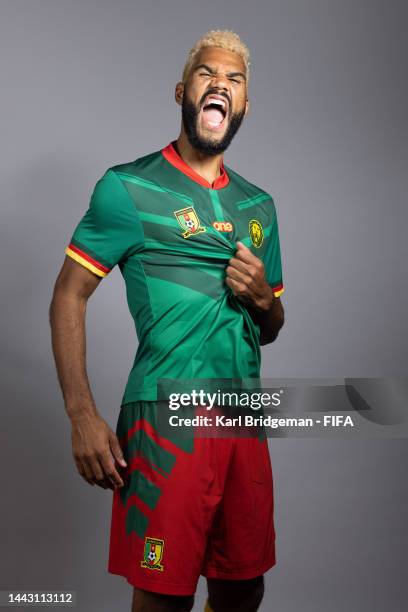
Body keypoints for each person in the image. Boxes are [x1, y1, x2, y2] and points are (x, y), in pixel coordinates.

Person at [49, 29, 285, 612]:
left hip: (242, 417)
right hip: (166, 417)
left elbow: (274, 324)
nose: (220, 85)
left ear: (245, 106)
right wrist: (82, 415)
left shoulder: (260, 206)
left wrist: (262, 297)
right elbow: (68, 296)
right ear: (184, 90)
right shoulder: (128, 187)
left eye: (234, 80)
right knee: (164, 593)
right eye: (208, 74)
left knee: (243, 585)